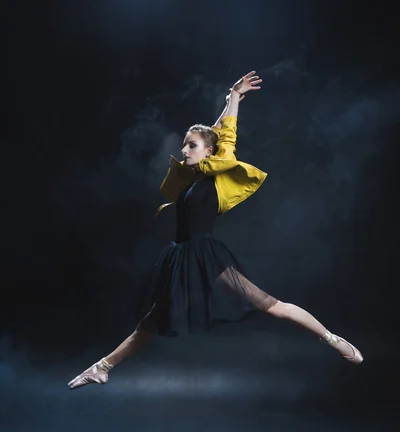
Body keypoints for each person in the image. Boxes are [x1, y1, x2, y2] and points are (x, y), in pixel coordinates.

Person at [68, 71, 362, 389]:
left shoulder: (212, 176)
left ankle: (331, 338)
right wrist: (226, 103)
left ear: (208, 152)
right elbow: (214, 131)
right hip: (181, 259)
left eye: (191, 145)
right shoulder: (192, 180)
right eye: (184, 145)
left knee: (271, 306)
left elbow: (224, 135)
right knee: (150, 324)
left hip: (204, 256)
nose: (184, 150)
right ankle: (102, 367)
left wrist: (233, 98)